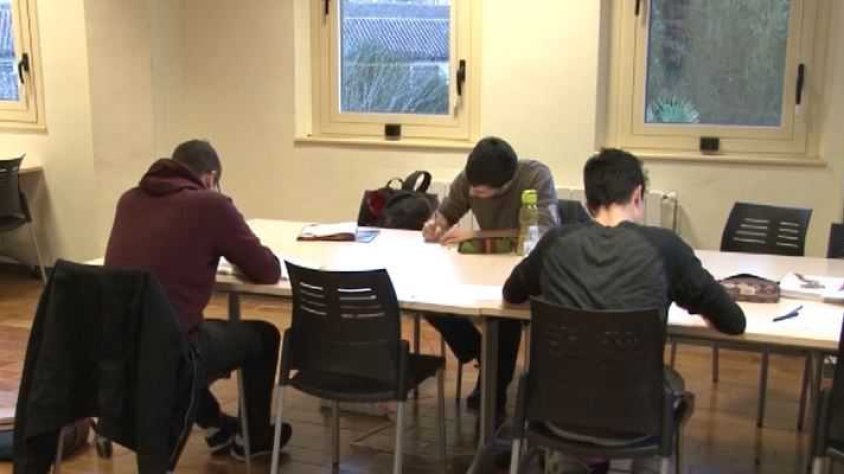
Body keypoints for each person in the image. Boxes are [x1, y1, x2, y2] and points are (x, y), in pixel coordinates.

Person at [502, 148, 746, 473]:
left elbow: (511, 293)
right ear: (638, 195)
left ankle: (574, 462)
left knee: (578, 379)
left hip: (553, 416)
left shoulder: (554, 243)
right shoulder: (666, 248)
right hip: (637, 420)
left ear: (588, 202)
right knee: (670, 382)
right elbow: (733, 321)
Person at [105, 140, 291, 461]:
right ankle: (255, 438)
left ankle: (215, 425)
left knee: (186, 331)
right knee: (263, 335)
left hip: (117, 348)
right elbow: (267, 270)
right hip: (171, 351)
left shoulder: (129, 200)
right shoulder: (211, 205)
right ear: (210, 177)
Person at [422, 136, 559, 413]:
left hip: (523, 267)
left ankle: (493, 392)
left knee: (504, 313)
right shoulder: (470, 179)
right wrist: (435, 225)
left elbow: (544, 234)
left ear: (506, 184)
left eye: (481, 192)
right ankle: (483, 351)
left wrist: (478, 235)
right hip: (482, 266)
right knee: (428, 299)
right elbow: (448, 212)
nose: (473, 193)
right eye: (472, 187)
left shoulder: (536, 177)